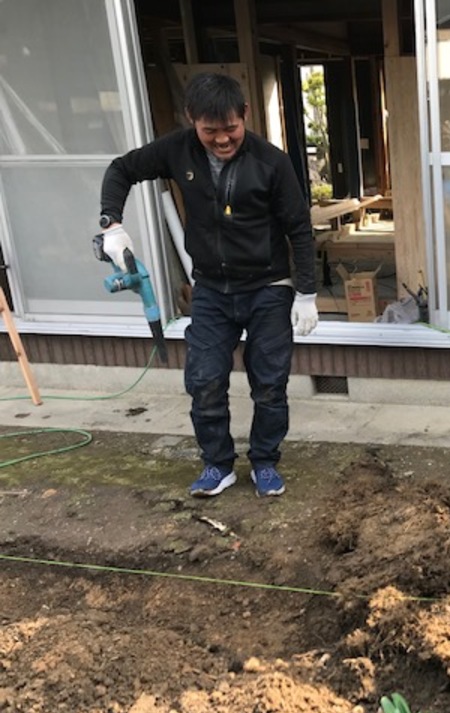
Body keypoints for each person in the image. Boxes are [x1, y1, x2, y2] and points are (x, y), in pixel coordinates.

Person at [98, 72, 319, 499]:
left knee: (270, 382)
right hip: (213, 290)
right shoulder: (177, 150)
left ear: (245, 116)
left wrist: (306, 293)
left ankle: (265, 462)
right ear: (191, 120)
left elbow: (300, 229)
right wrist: (112, 224)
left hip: (268, 286)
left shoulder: (271, 162)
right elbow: (121, 169)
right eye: (210, 131)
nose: (221, 140)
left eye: (230, 129)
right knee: (204, 380)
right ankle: (218, 465)